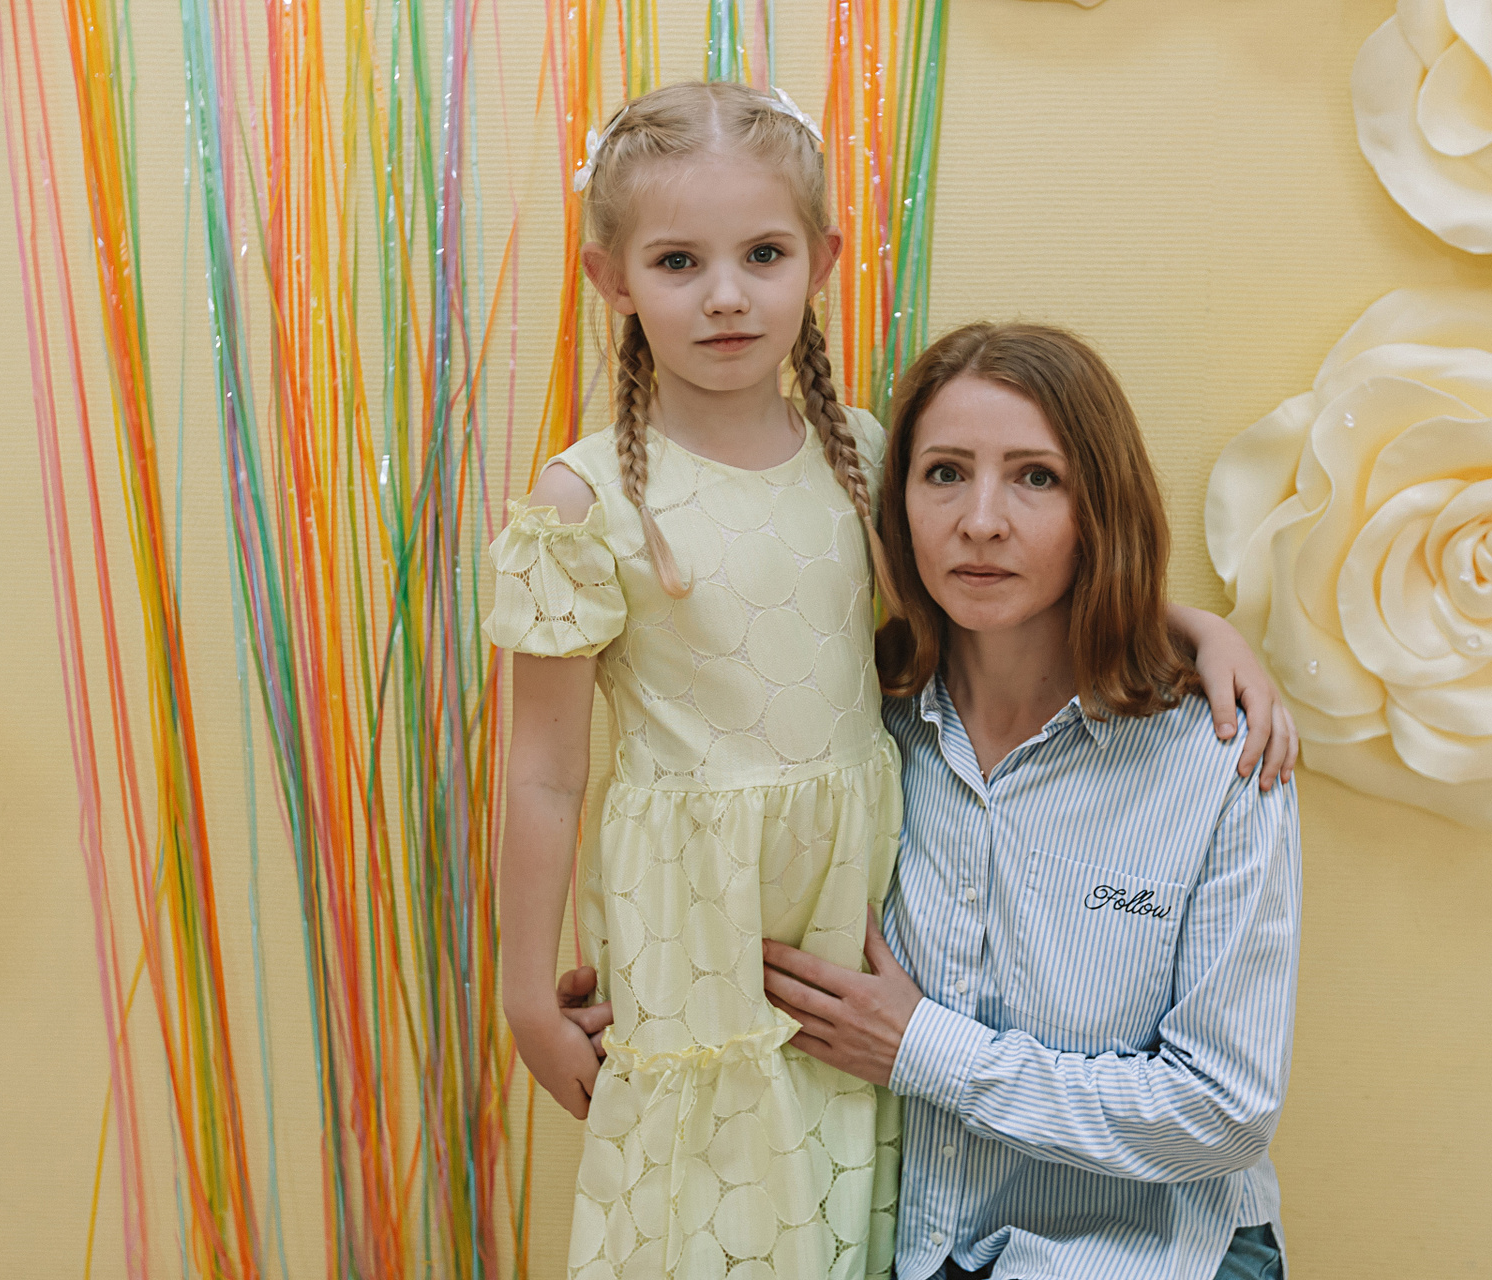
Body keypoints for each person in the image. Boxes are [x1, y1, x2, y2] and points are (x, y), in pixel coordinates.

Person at [484, 82, 1293, 1280]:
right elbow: (544, 773)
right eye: (677, 260)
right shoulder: (590, 501)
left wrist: (1187, 623)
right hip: (696, 930)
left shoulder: (857, 458)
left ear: (820, 262)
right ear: (612, 279)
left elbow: (993, 584)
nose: (724, 294)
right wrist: (525, 995)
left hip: (848, 942)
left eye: (762, 254)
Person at [758, 322, 1301, 1280]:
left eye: (1036, 478)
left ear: (1101, 509)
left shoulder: (1219, 753)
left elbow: (1222, 1111)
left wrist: (924, 1049)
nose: (981, 521)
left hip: (1145, 1257)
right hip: (906, 1252)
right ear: (898, 506)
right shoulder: (855, 730)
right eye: (944, 473)